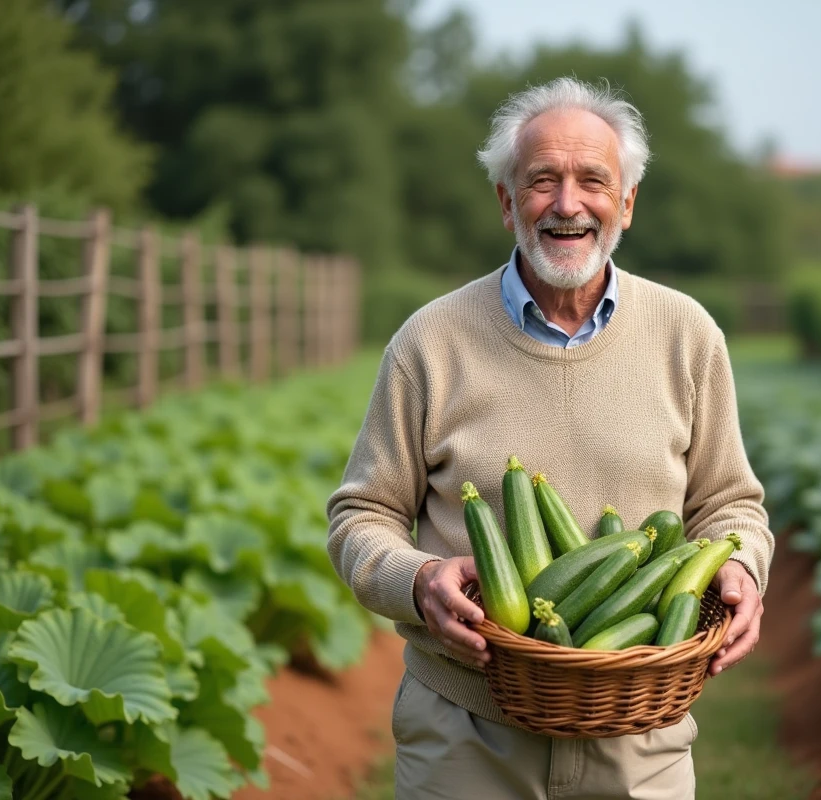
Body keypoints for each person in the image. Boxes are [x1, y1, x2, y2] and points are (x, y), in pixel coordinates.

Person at [326, 76, 774, 799]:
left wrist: (743, 565)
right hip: (465, 734)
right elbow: (359, 517)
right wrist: (415, 580)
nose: (567, 204)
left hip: (640, 737)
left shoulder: (688, 336)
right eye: (542, 180)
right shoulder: (430, 341)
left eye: (593, 180)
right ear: (507, 203)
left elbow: (731, 506)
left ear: (626, 202)